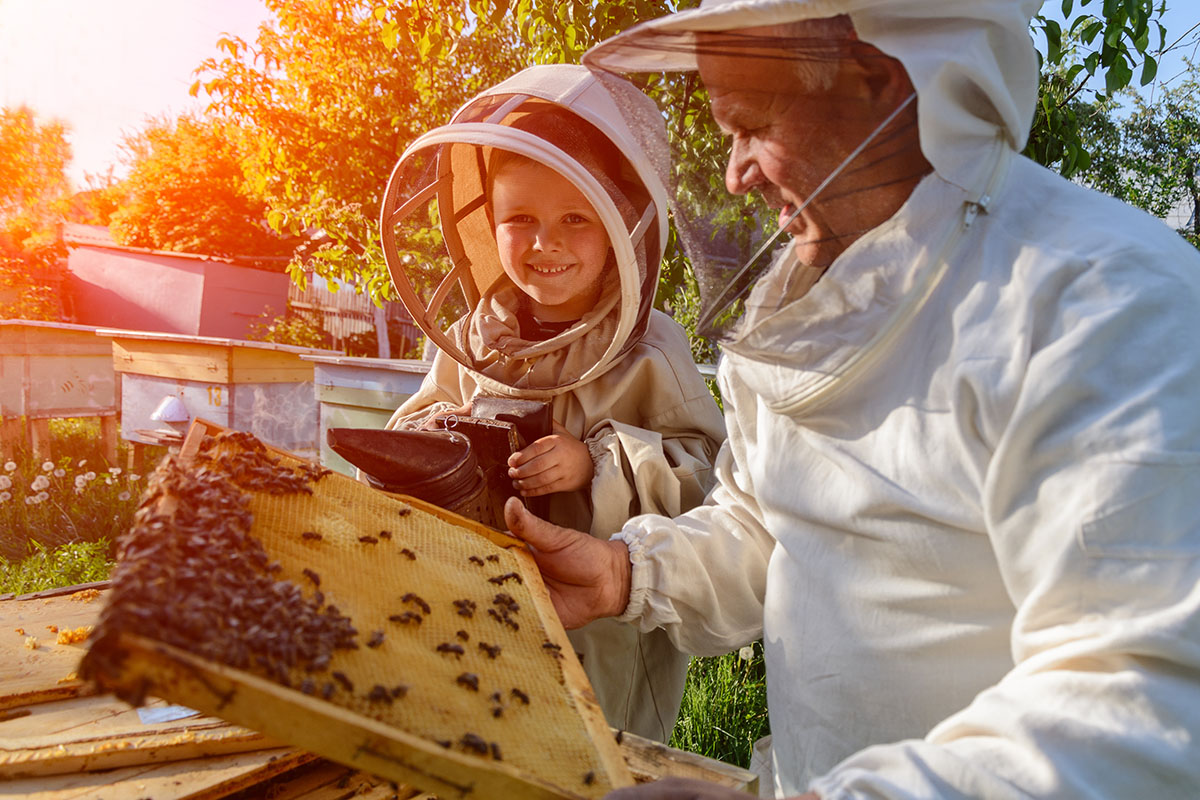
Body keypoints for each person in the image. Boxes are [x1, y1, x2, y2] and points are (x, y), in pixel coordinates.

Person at [502, 1, 1200, 797]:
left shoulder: (1102, 304)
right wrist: (626, 573)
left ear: (878, 83)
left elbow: (1143, 709)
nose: (733, 174)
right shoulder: (803, 303)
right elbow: (764, 524)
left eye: (752, 126)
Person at [379, 64, 727, 742]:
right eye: (521, 219)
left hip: (602, 634)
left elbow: (704, 479)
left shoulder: (651, 348)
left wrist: (596, 463)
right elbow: (414, 425)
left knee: (598, 765)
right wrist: (443, 445)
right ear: (487, 224)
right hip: (479, 610)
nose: (546, 243)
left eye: (576, 218)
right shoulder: (470, 338)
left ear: (622, 229)